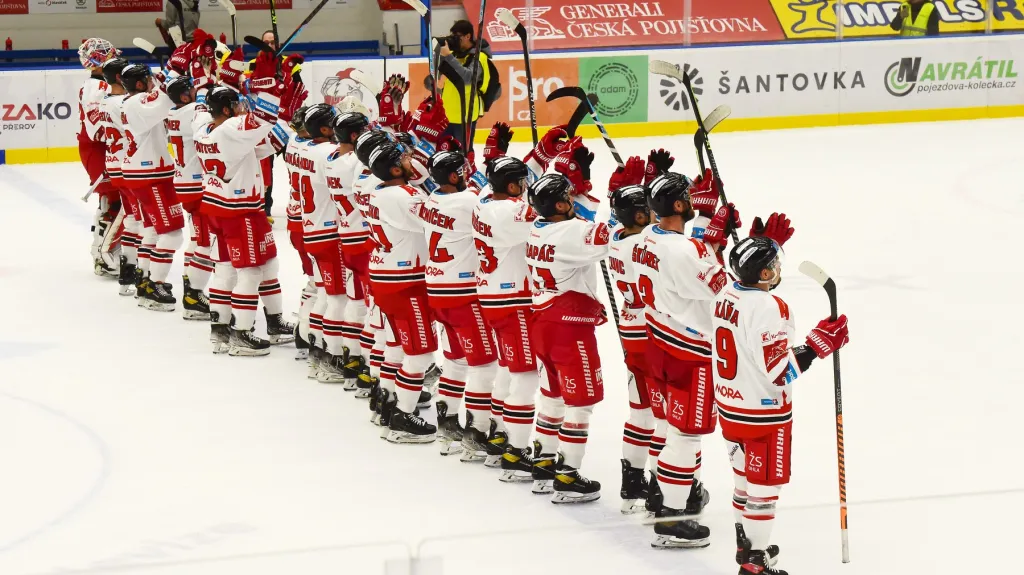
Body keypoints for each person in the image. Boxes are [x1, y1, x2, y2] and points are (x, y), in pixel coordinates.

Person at [714, 233, 850, 575]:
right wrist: (818, 344)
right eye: (773, 265)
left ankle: (746, 543)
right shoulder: (770, 307)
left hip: (729, 407)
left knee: (743, 482)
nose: (777, 269)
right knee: (764, 487)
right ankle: (755, 562)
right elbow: (779, 373)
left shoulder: (724, 294)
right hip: (762, 414)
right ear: (761, 274)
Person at [635, 170, 737, 548]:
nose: (694, 201)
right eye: (689, 198)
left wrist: (711, 234)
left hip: (657, 342)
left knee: (671, 427)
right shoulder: (685, 251)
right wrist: (718, 243)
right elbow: (726, 289)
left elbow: (688, 261)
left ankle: (663, 497)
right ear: (678, 205)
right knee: (686, 434)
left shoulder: (647, 238)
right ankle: (671, 519)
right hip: (689, 351)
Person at [194, 52, 302, 356]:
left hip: (218, 206)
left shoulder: (203, 127)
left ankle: (234, 328)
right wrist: (270, 85)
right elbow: (263, 119)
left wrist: (284, 107)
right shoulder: (231, 130)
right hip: (239, 212)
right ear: (227, 109)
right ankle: (240, 333)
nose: (244, 108)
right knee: (251, 271)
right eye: (239, 104)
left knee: (252, 265)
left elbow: (267, 138)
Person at [525, 145, 609, 504]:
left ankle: (543, 462)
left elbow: (580, 223)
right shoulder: (571, 234)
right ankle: (568, 474)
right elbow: (608, 237)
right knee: (580, 402)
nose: (573, 199)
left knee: (553, 395)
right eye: (567, 196)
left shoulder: (536, 229)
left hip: (542, 323)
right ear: (559, 206)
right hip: (569, 328)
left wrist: (581, 186)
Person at [421, 149, 499, 460]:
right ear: (455, 176)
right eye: (463, 170)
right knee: (483, 363)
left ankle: (448, 422)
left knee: (455, 359)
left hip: (438, 289)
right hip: (463, 294)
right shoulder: (468, 203)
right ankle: (477, 431)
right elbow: (501, 203)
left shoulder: (433, 199)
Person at [364, 142, 438, 443]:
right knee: (420, 355)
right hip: (405, 282)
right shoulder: (406, 197)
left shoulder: (378, 191)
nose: (411, 161)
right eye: (405, 159)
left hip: (384, 277)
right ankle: (402, 417)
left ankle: (386, 400)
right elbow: (441, 220)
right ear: (395, 169)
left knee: (395, 346)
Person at [119, 63, 184, 312]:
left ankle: (144, 280)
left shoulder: (133, 102)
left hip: (142, 172)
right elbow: (167, 99)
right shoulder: (137, 103)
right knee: (172, 233)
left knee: (154, 231)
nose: (151, 81)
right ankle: (155, 284)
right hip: (151, 174)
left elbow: (161, 93)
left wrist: (169, 71)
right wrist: (174, 69)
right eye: (147, 78)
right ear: (138, 84)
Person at [166, 74, 215, 321]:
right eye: (190, 90)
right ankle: (193, 295)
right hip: (197, 186)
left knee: (197, 237)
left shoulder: (173, 112)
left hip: (183, 182)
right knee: (206, 241)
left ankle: (191, 286)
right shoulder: (193, 110)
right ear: (185, 96)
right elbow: (206, 108)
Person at [77, 38, 121, 277]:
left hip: (100, 148)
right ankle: (104, 254)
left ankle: (105, 252)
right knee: (114, 202)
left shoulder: (101, 83)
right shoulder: (97, 87)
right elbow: (97, 129)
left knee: (111, 200)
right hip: (98, 149)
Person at [99, 57, 140, 296]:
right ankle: (110, 256)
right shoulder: (123, 103)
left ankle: (129, 271)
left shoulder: (107, 101)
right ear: (118, 78)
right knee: (135, 218)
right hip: (128, 166)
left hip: (116, 162)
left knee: (134, 217)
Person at [435, 19, 492, 147]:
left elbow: (468, 78)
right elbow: (437, 75)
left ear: (468, 36)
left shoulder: (479, 57)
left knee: (464, 154)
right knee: (443, 152)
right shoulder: (453, 54)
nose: (454, 39)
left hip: (465, 115)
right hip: (446, 114)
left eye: (457, 37)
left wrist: (449, 56)